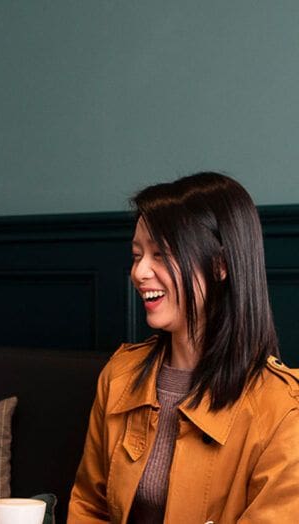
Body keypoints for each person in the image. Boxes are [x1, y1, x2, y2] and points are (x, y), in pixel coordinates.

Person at [68, 172, 299, 522]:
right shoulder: (120, 374)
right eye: (137, 255)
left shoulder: (283, 408)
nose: (140, 272)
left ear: (220, 265)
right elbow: (87, 506)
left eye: (162, 254)